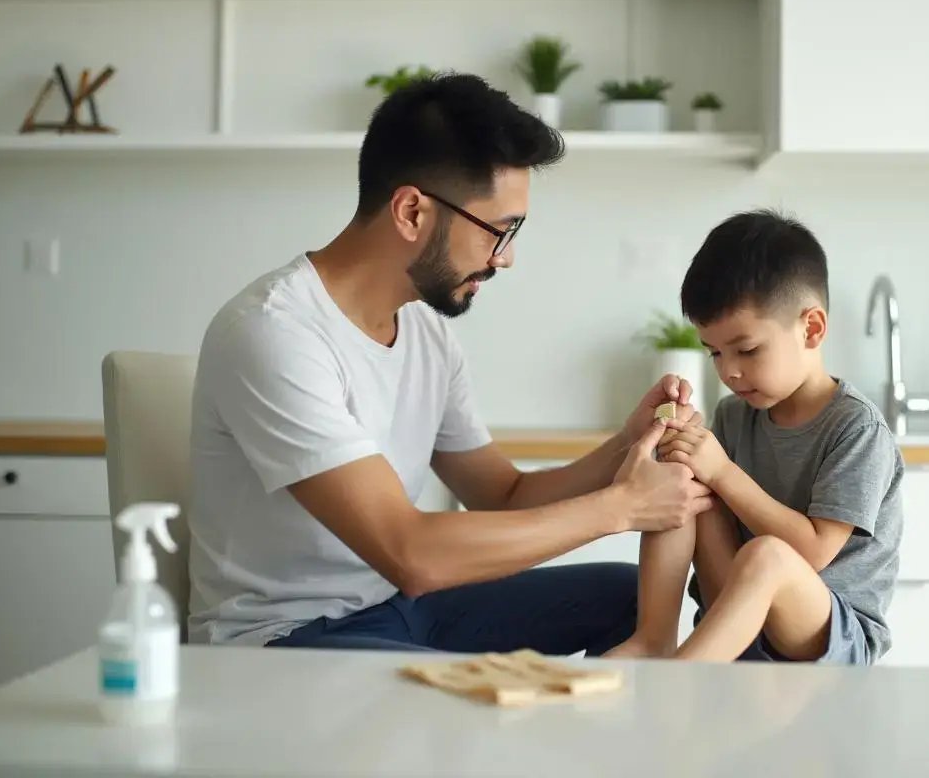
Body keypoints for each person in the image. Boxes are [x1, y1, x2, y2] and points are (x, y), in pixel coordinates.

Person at [187, 73, 713, 654]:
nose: (506, 259)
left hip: (399, 607)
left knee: (635, 595)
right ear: (412, 212)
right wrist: (621, 508)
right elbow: (411, 553)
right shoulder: (273, 332)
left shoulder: (426, 333)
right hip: (286, 638)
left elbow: (504, 495)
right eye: (499, 231)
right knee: (448, 699)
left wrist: (626, 444)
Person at [607, 211, 904, 664]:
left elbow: (814, 552)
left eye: (747, 349)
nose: (729, 370)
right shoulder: (732, 415)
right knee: (682, 484)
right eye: (715, 353)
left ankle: (680, 679)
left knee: (769, 556)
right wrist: (680, 448)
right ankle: (655, 639)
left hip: (826, 634)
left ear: (812, 329)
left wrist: (722, 470)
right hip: (739, 622)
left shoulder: (856, 428)